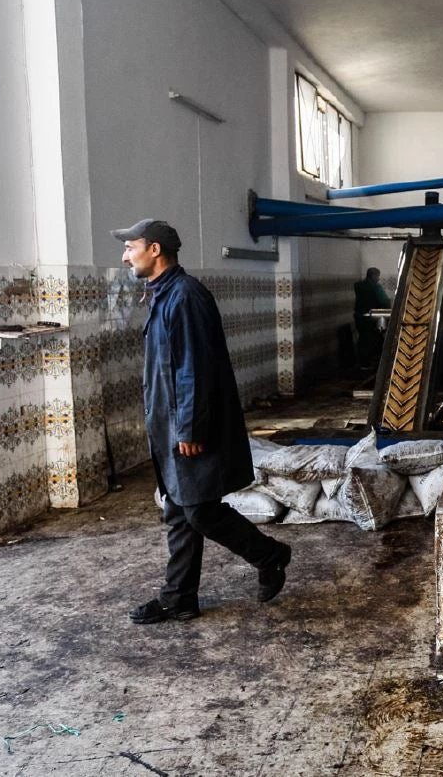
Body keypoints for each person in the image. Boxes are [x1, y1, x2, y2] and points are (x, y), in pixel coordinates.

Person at [114, 219, 292, 624]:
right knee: (179, 509)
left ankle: (271, 555)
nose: (125, 255)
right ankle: (179, 597)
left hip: (188, 426)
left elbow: (194, 369)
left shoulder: (185, 296)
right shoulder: (161, 294)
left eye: (130, 247)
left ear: (154, 249)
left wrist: (189, 428)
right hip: (170, 422)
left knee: (199, 510)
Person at [354, 267, 392, 368]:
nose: (378, 278)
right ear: (373, 275)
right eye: (377, 276)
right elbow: (384, 302)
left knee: (363, 339)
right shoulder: (376, 287)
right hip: (372, 318)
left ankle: (362, 363)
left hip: (359, 317)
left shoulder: (358, 286)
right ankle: (372, 362)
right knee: (373, 338)